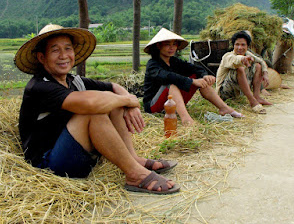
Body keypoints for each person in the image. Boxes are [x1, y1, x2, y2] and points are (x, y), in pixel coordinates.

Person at [14, 24, 180, 195]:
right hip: (50, 165)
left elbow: (113, 86)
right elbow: (91, 105)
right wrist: (128, 100)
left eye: (67, 49)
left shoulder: (74, 80)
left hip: (77, 154)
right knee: (94, 112)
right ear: (42, 57)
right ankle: (134, 174)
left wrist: (128, 105)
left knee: (112, 104)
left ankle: (134, 160)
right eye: (55, 50)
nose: (63, 56)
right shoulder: (40, 86)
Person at [143, 28, 243, 126]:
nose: (171, 48)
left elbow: (195, 68)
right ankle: (186, 119)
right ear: (158, 46)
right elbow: (168, 76)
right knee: (172, 85)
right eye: (167, 44)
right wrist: (191, 81)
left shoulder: (174, 61)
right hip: (154, 106)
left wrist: (205, 76)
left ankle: (224, 108)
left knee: (200, 79)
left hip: (173, 103)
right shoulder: (153, 65)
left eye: (174, 44)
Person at [216, 31, 272, 114]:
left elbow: (261, 61)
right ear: (233, 45)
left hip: (238, 92)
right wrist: (243, 59)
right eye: (237, 44)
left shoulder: (248, 54)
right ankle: (253, 102)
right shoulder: (227, 56)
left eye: (243, 45)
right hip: (224, 93)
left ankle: (257, 97)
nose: (239, 48)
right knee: (239, 68)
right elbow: (235, 60)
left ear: (247, 46)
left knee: (258, 66)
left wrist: (265, 73)